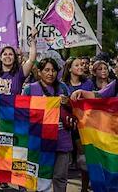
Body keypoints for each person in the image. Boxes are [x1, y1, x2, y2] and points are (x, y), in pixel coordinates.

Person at [23, 58, 75, 192]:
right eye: (46, 70)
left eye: (53, 70)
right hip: (39, 141)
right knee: (41, 177)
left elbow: (74, 110)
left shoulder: (62, 87)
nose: (50, 73)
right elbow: (22, 113)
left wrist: (68, 102)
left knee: (60, 177)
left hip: (61, 140)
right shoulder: (29, 89)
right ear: (39, 72)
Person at [61, 57, 94, 191]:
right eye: (77, 65)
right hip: (66, 126)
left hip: (84, 126)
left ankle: (84, 188)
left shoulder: (88, 84)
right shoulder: (63, 85)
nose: (81, 67)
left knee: (83, 158)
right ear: (69, 68)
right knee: (63, 159)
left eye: (81, 65)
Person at [0, 28, 37, 95]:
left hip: (13, 105)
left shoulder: (19, 72)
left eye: (10, 54)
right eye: (5, 54)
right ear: (0, 58)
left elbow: (31, 59)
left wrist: (32, 39)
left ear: (14, 58)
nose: (7, 56)